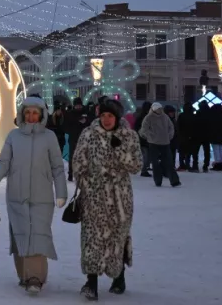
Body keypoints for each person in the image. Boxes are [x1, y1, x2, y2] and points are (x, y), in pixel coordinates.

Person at [0, 96, 67, 295]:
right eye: (27, 112)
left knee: (38, 234)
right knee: (21, 234)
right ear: (22, 114)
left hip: (42, 196)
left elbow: (57, 167)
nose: (31, 116)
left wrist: (61, 192)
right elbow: (3, 163)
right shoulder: (13, 136)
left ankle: (35, 278)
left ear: (41, 114)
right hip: (17, 195)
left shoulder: (49, 137)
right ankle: (24, 274)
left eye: (35, 113)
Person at [71, 99, 142, 300]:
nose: (106, 119)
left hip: (120, 198)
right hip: (94, 197)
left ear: (117, 117)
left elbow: (136, 166)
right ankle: (91, 282)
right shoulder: (89, 134)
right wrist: (87, 183)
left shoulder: (129, 136)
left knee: (117, 237)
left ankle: (118, 277)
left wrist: (119, 150)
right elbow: (78, 163)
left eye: (110, 116)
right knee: (92, 237)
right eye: (103, 115)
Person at [139, 102, 180, 188]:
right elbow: (144, 129)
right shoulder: (149, 117)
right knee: (156, 163)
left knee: (167, 162)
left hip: (164, 142)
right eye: (158, 109)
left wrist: (169, 136)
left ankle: (173, 181)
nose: (159, 111)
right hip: (154, 143)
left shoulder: (164, 117)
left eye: (160, 109)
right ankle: (159, 181)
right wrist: (150, 136)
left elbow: (171, 127)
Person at [64, 98, 89, 181]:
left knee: (84, 156)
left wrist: (85, 122)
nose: (78, 107)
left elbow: (89, 124)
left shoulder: (86, 112)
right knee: (72, 157)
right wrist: (76, 123)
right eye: (77, 105)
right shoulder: (70, 114)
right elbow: (66, 127)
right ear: (74, 106)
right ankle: (71, 173)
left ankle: (83, 173)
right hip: (73, 138)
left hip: (84, 139)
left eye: (79, 105)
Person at [133, 101, 152, 177]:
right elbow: (137, 128)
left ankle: (144, 169)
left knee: (147, 156)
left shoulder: (144, 117)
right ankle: (144, 170)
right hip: (143, 140)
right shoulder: (143, 118)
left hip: (145, 139)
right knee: (146, 156)